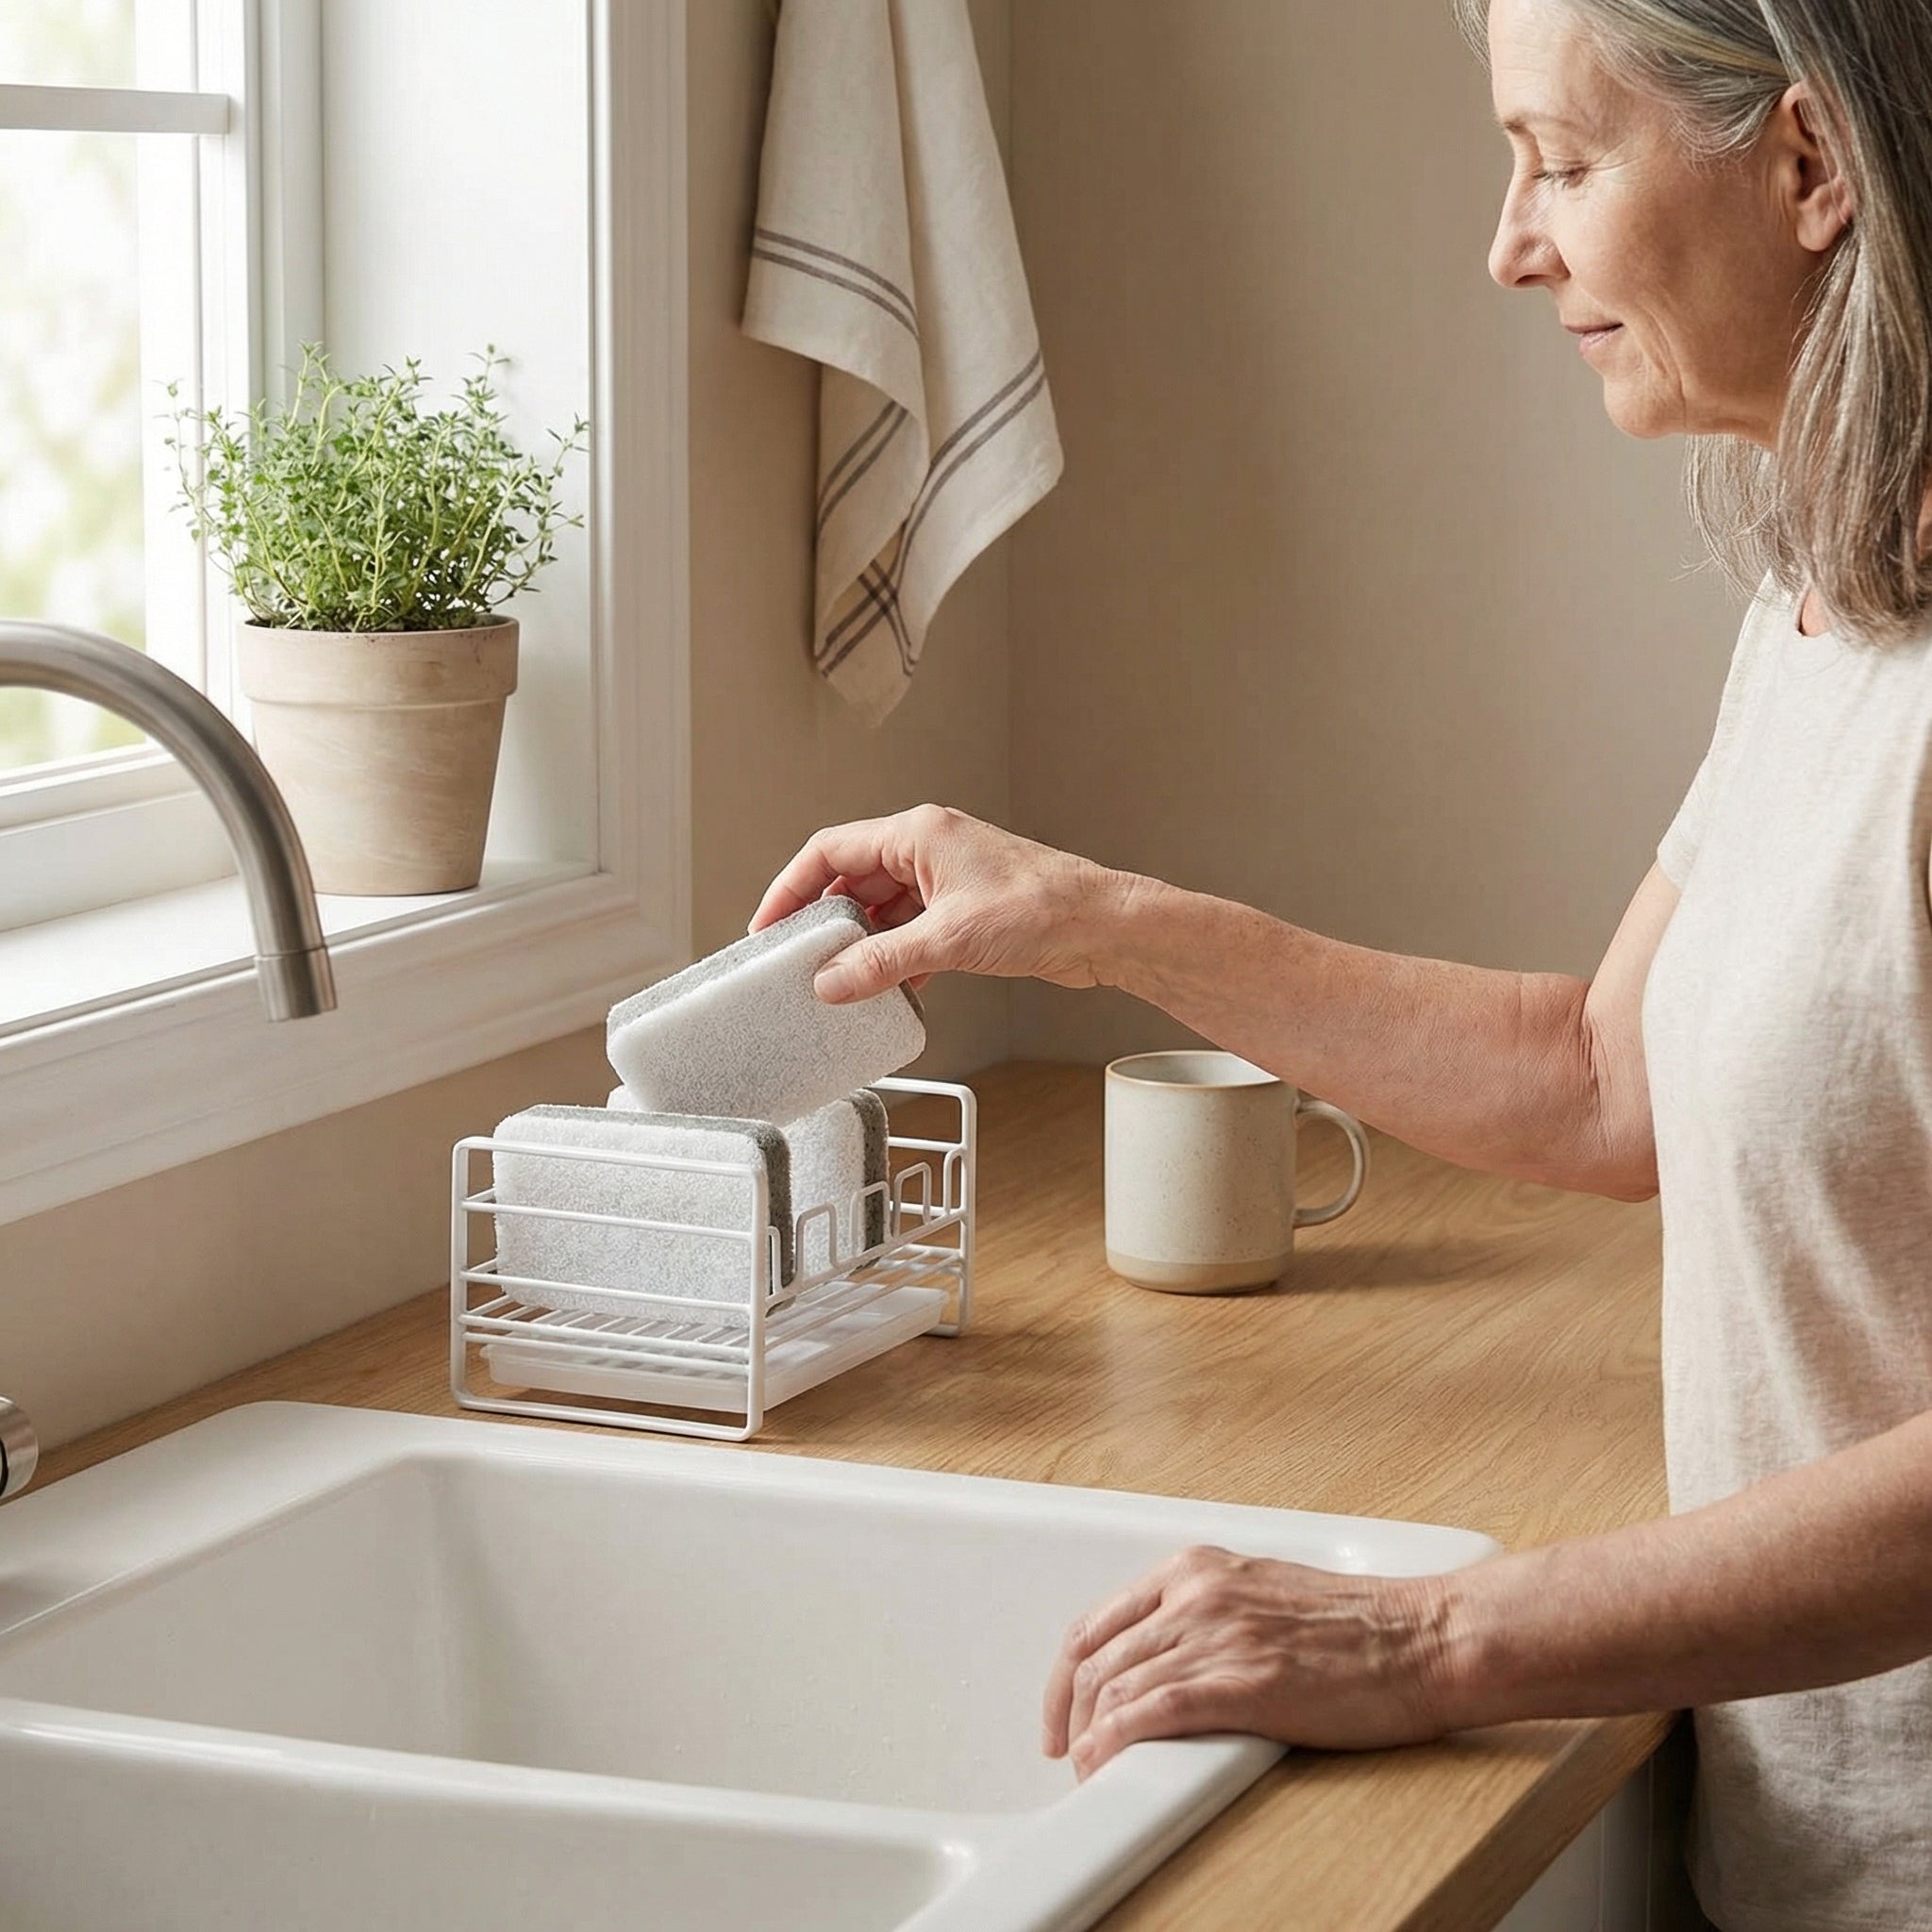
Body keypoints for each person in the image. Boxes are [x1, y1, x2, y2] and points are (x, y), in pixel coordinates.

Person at [752, 2, 1932, 1924]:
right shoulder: (1831, 600)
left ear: (1808, 164)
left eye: (1563, 160)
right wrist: (1086, 916)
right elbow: (1596, 1075)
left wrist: (1429, 1638)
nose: (1510, 244)